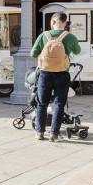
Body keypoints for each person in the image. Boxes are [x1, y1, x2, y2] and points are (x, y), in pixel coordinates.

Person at [30, 11, 81, 142]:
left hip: (45, 74)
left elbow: (33, 54)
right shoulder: (70, 37)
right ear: (65, 23)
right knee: (59, 103)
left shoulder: (43, 36)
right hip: (62, 74)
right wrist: (70, 35)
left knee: (42, 103)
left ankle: (40, 132)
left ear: (53, 22)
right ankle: (54, 134)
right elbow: (77, 51)